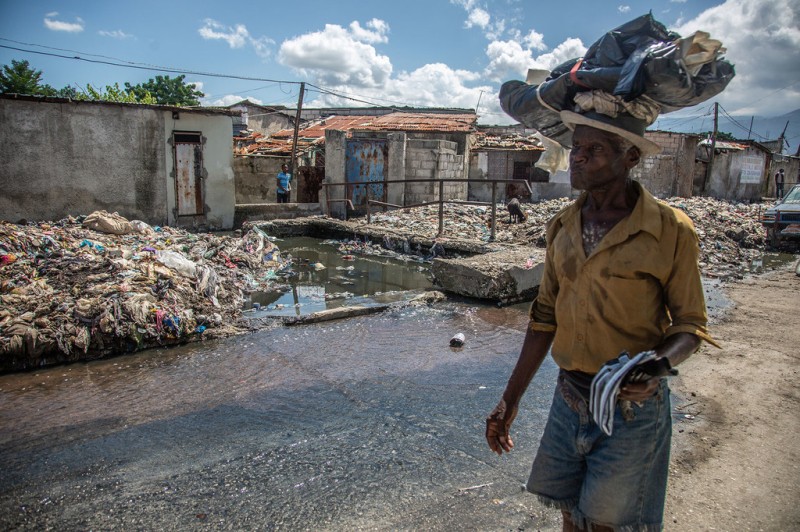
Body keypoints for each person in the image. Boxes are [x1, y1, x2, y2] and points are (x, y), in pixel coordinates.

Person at [486, 110, 719, 532]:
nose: (578, 159)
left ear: (630, 156)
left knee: (608, 523)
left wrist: (659, 366)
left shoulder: (669, 229)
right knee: (571, 514)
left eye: (595, 150)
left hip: (630, 407)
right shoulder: (563, 226)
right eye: (577, 149)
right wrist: (510, 400)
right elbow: (543, 318)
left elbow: (689, 324)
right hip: (569, 397)